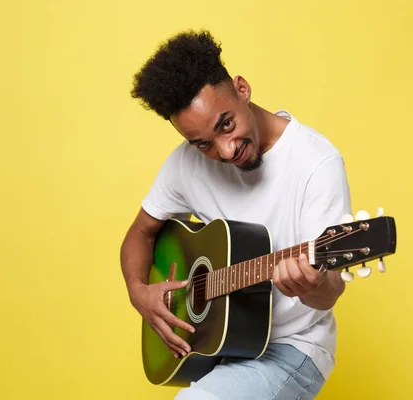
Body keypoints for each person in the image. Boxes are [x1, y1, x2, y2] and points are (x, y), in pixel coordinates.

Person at [120, 30, 352, 399]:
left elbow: (330, 291)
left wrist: (312, 285)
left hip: (292, 348)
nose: (226, 151)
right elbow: (141, 233)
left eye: (226, 124)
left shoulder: (315, 163)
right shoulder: (186, 163)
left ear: (242, 88)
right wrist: (139, 293)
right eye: (203, 144)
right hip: (218, 344)